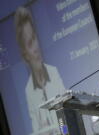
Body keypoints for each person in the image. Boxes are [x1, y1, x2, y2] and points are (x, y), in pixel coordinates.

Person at [14, 7, 66, 135]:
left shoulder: (54, 73)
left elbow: (66, 115)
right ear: (25, 54)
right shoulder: (29, 91)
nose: (36, 47)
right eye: (30, 43)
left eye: (34, 38)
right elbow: (37, 131)